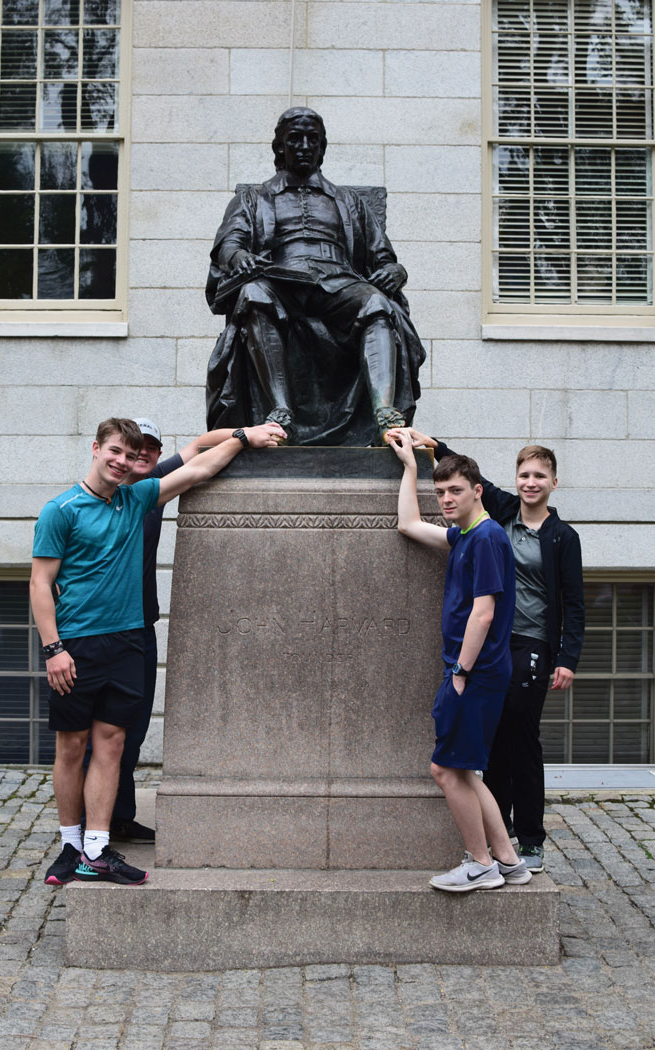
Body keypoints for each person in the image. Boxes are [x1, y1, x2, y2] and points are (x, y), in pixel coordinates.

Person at [32, 417, 284, 887]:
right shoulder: (60, 510)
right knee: (71, 747)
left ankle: (96, 849)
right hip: (77, 644)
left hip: (128, 640)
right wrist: (53, 649)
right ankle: (69, 844)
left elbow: (196, 470)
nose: (123, 462)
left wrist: (244, 437)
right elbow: (40, 584)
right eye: (116, 452)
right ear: (96, 449)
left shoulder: (139, 497)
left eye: (130, 456)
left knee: (111, 745)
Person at [391, 429, 585, 872]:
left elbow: (570, 602)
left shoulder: (549, 536)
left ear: (554, 482)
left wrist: (566, 658)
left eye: (540, 475)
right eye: (524, 474)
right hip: (496, 646)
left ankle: (519, 845)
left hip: (520, 647)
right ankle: (506, 850)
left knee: (518, 739)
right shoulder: (499, 519)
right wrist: (428, 449)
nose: (530, 482)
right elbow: (453, 488)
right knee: (486, 749)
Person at [108, 417, 285, 844]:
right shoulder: (98, 499)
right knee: (99, 738)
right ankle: (87, 827)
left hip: (141, 627)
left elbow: (200, 448)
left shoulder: (154, 486)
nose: (143, 454)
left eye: (150, 447)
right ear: (114, 453)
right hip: (100, 633)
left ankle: (119, 817)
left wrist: (249, 434)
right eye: (134, 449)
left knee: (130, 731)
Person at [205, 107, 425, 446]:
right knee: (253, 295)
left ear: (323, 148)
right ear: (279, 148)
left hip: (339, 282)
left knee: (378, 303)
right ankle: (280, 413)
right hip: (280, 282)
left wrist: (397, 270)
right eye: (295, 139)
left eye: (313, 140)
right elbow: (228, 245)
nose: (305, 146)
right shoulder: (253, 198)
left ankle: (385, 414)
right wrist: (239, 256)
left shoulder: (348, 200)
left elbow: (383, 257)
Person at [388, 431, 530, 891]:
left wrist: (461, 673)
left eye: (455, 491)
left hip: (476, 673)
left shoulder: (487, 537)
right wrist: (412, 469)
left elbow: (484, 612)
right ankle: (508, 859)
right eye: (441, 491)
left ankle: (480, 863)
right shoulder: (465, 535)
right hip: (477, 673)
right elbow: (409, 524)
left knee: (446, 770)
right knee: (466, 770)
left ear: (478, 492)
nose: (446, 499)